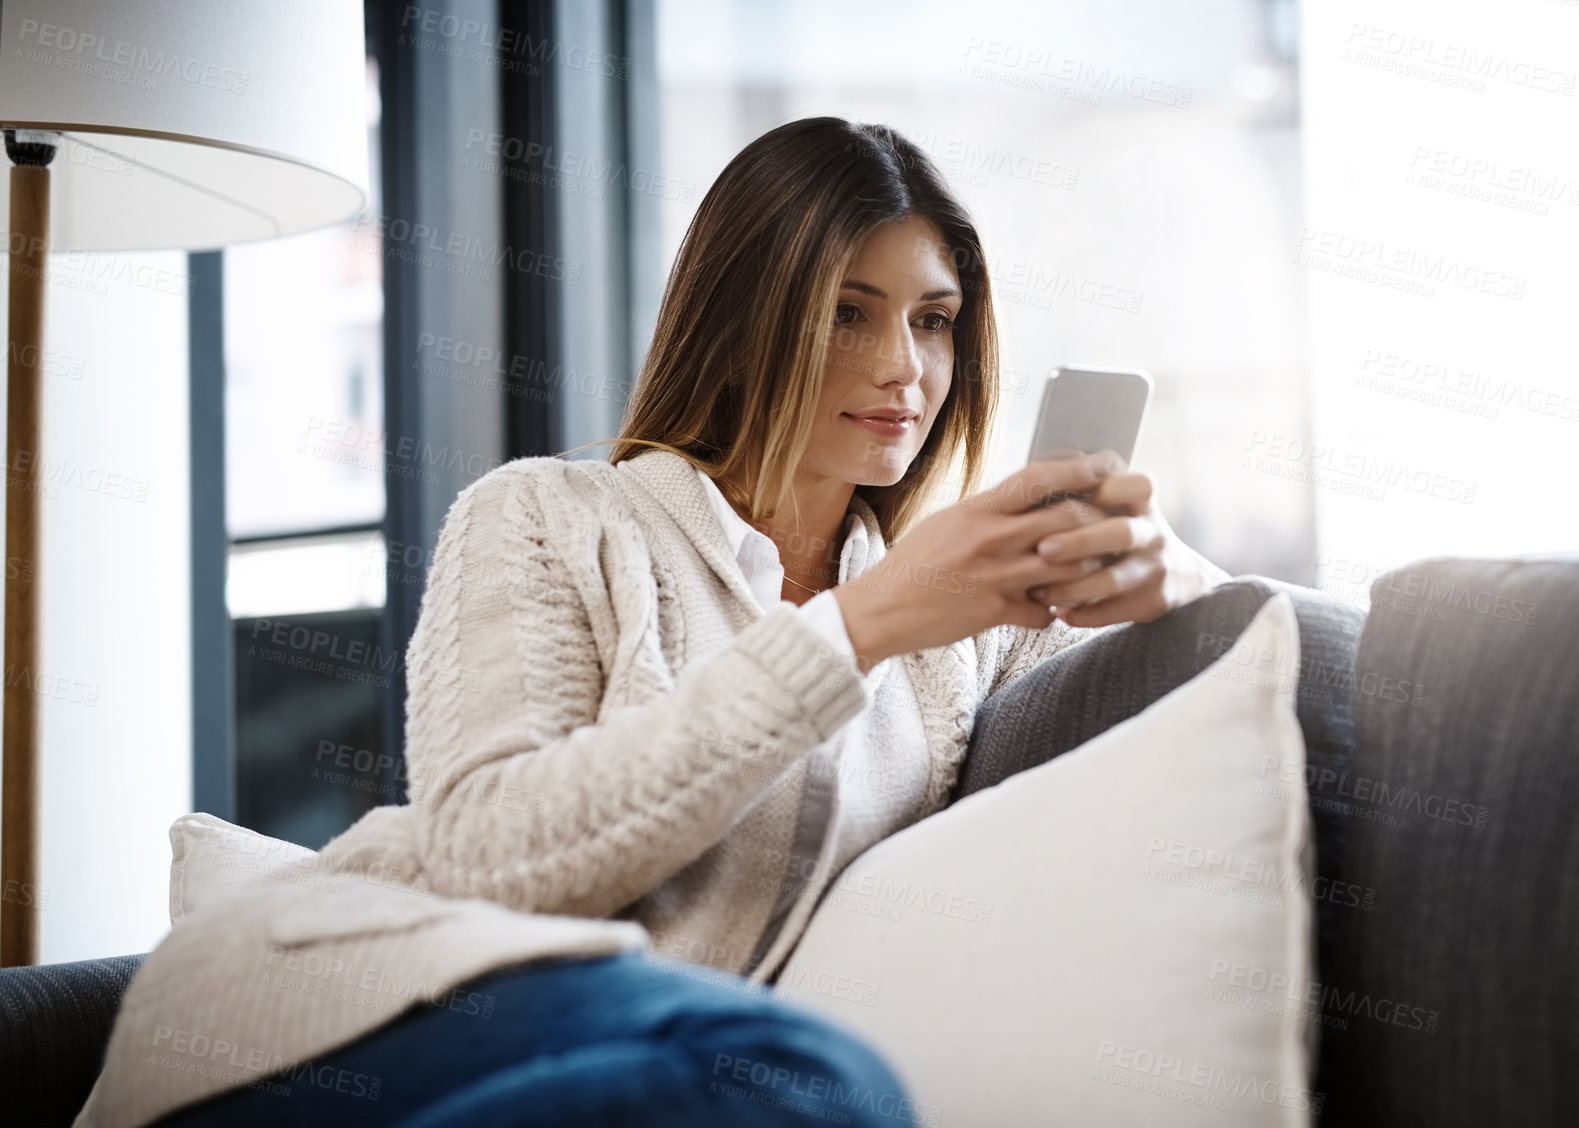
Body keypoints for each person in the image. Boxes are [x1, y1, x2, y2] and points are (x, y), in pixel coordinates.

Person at [114, 117, 1228, 1128]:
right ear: (743, 323)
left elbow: (1234, 660)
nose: (904, 369)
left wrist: (1163, 566)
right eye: (847, 313)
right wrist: (855, 628)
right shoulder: (546, 516)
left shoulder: (968, 617)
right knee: (811, 1087)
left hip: (676, 1075)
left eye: (934, 322)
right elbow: (488, 857)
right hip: (370, 1014)